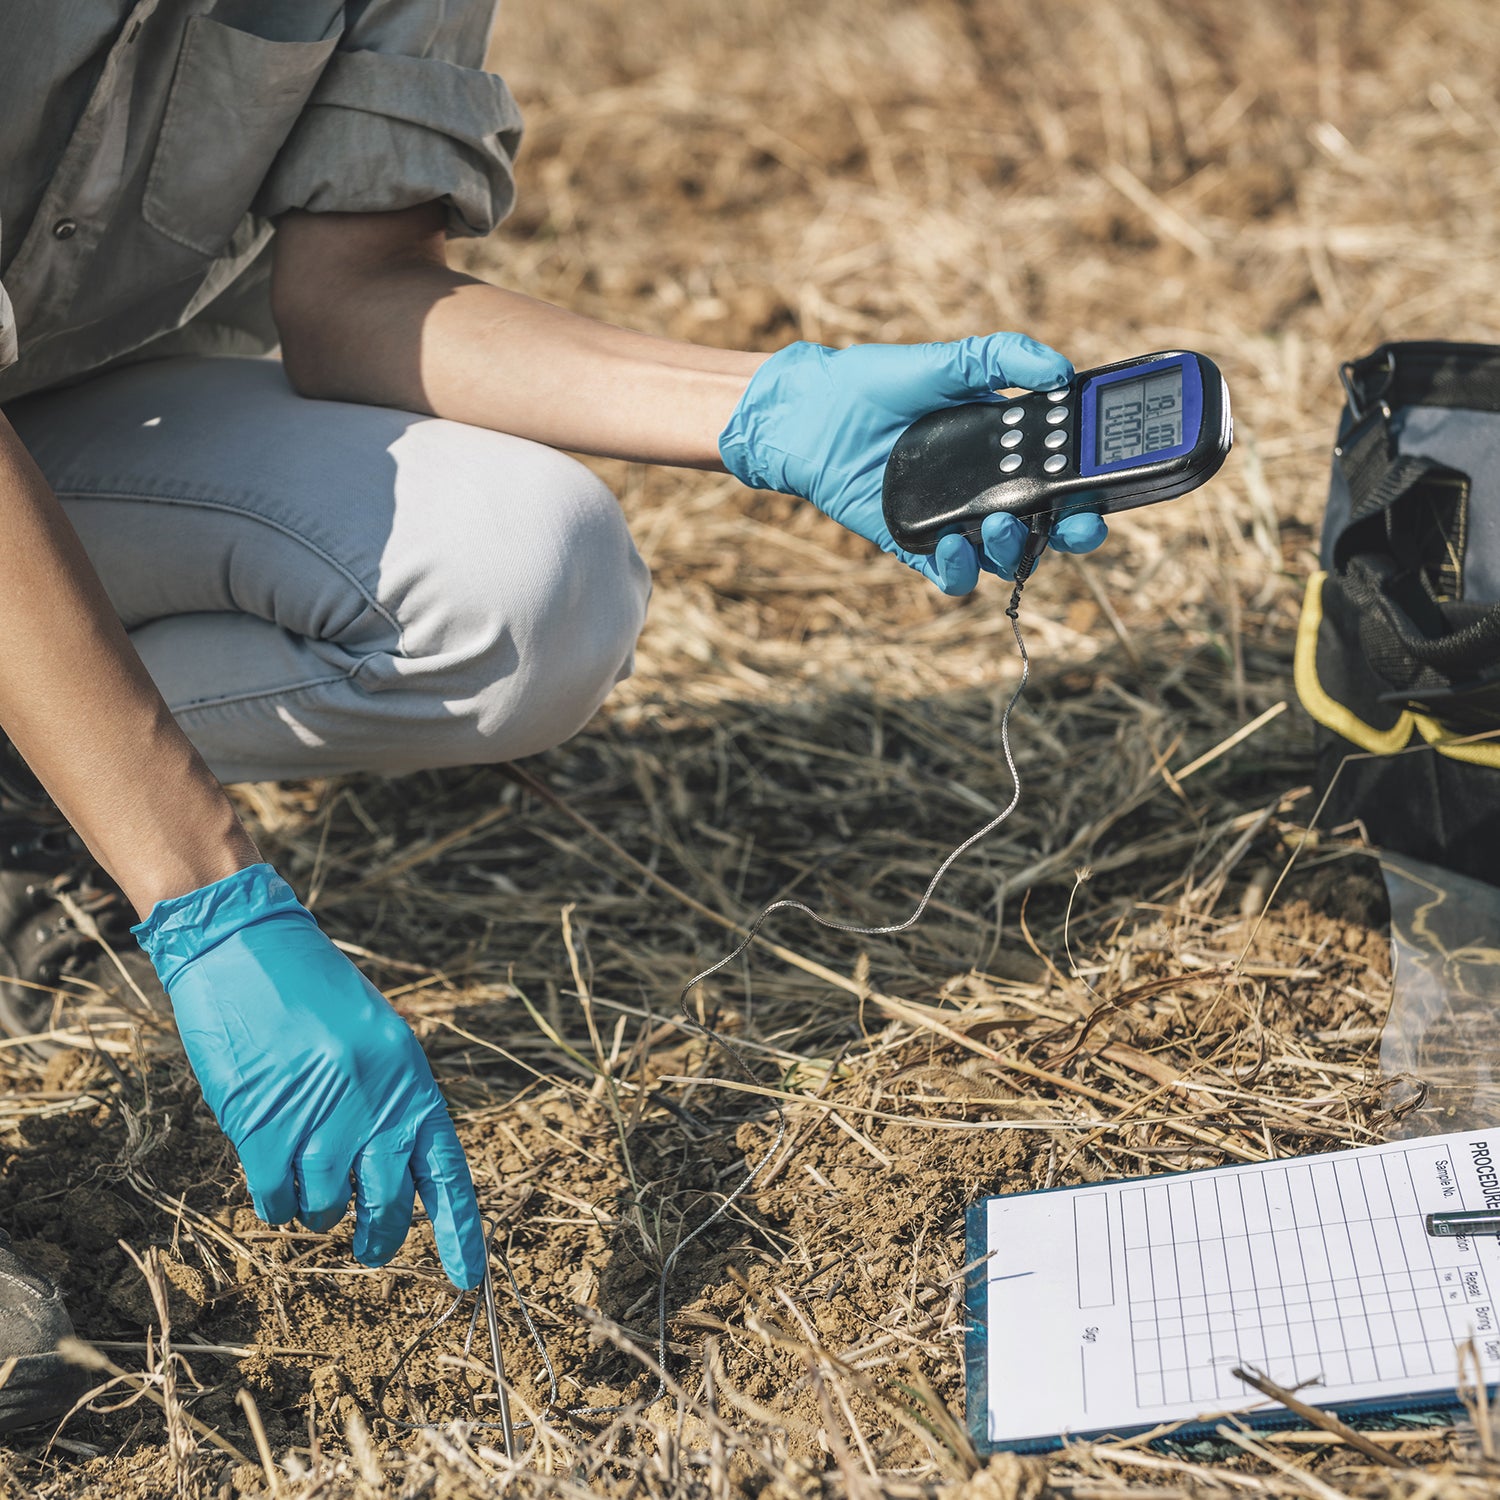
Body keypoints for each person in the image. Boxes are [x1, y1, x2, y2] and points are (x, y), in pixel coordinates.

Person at [0, 0, 1107, 1433]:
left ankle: (44, 745)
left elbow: (360, 294)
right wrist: (207, 894)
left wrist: (768, 406)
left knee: (526, 583)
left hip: (66, 412)